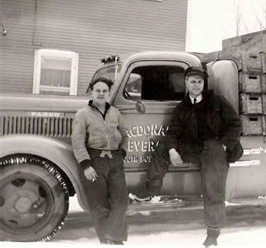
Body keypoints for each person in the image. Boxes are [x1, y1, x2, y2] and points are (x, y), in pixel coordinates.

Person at [131, 66, 242, 247]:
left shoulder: (216, 101)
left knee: (213, 189)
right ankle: (152, 191)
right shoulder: (182, 107)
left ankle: (213, 234)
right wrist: (173, 150)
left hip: (214, 147)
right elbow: (173, 132)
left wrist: (223, 144)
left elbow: (235, 124)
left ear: (203, 83)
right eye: (193, 81)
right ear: (186, 83)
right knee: (162, 149)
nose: (196, 85)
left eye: (199, 82)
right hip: (192, 148)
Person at [72, 77, 129, 245]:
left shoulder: (115, 113)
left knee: (121, 201)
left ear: (109, 93)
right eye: (98, 90)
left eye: (105, 91)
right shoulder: (83, 114)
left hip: (115, 160)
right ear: (92, 92)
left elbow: (125, 135)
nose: (101, 94)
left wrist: (122, 153)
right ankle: (108, 241)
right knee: (99, 204)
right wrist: (86, 165)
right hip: (95, 161)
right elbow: (77, 141)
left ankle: (113, 236)